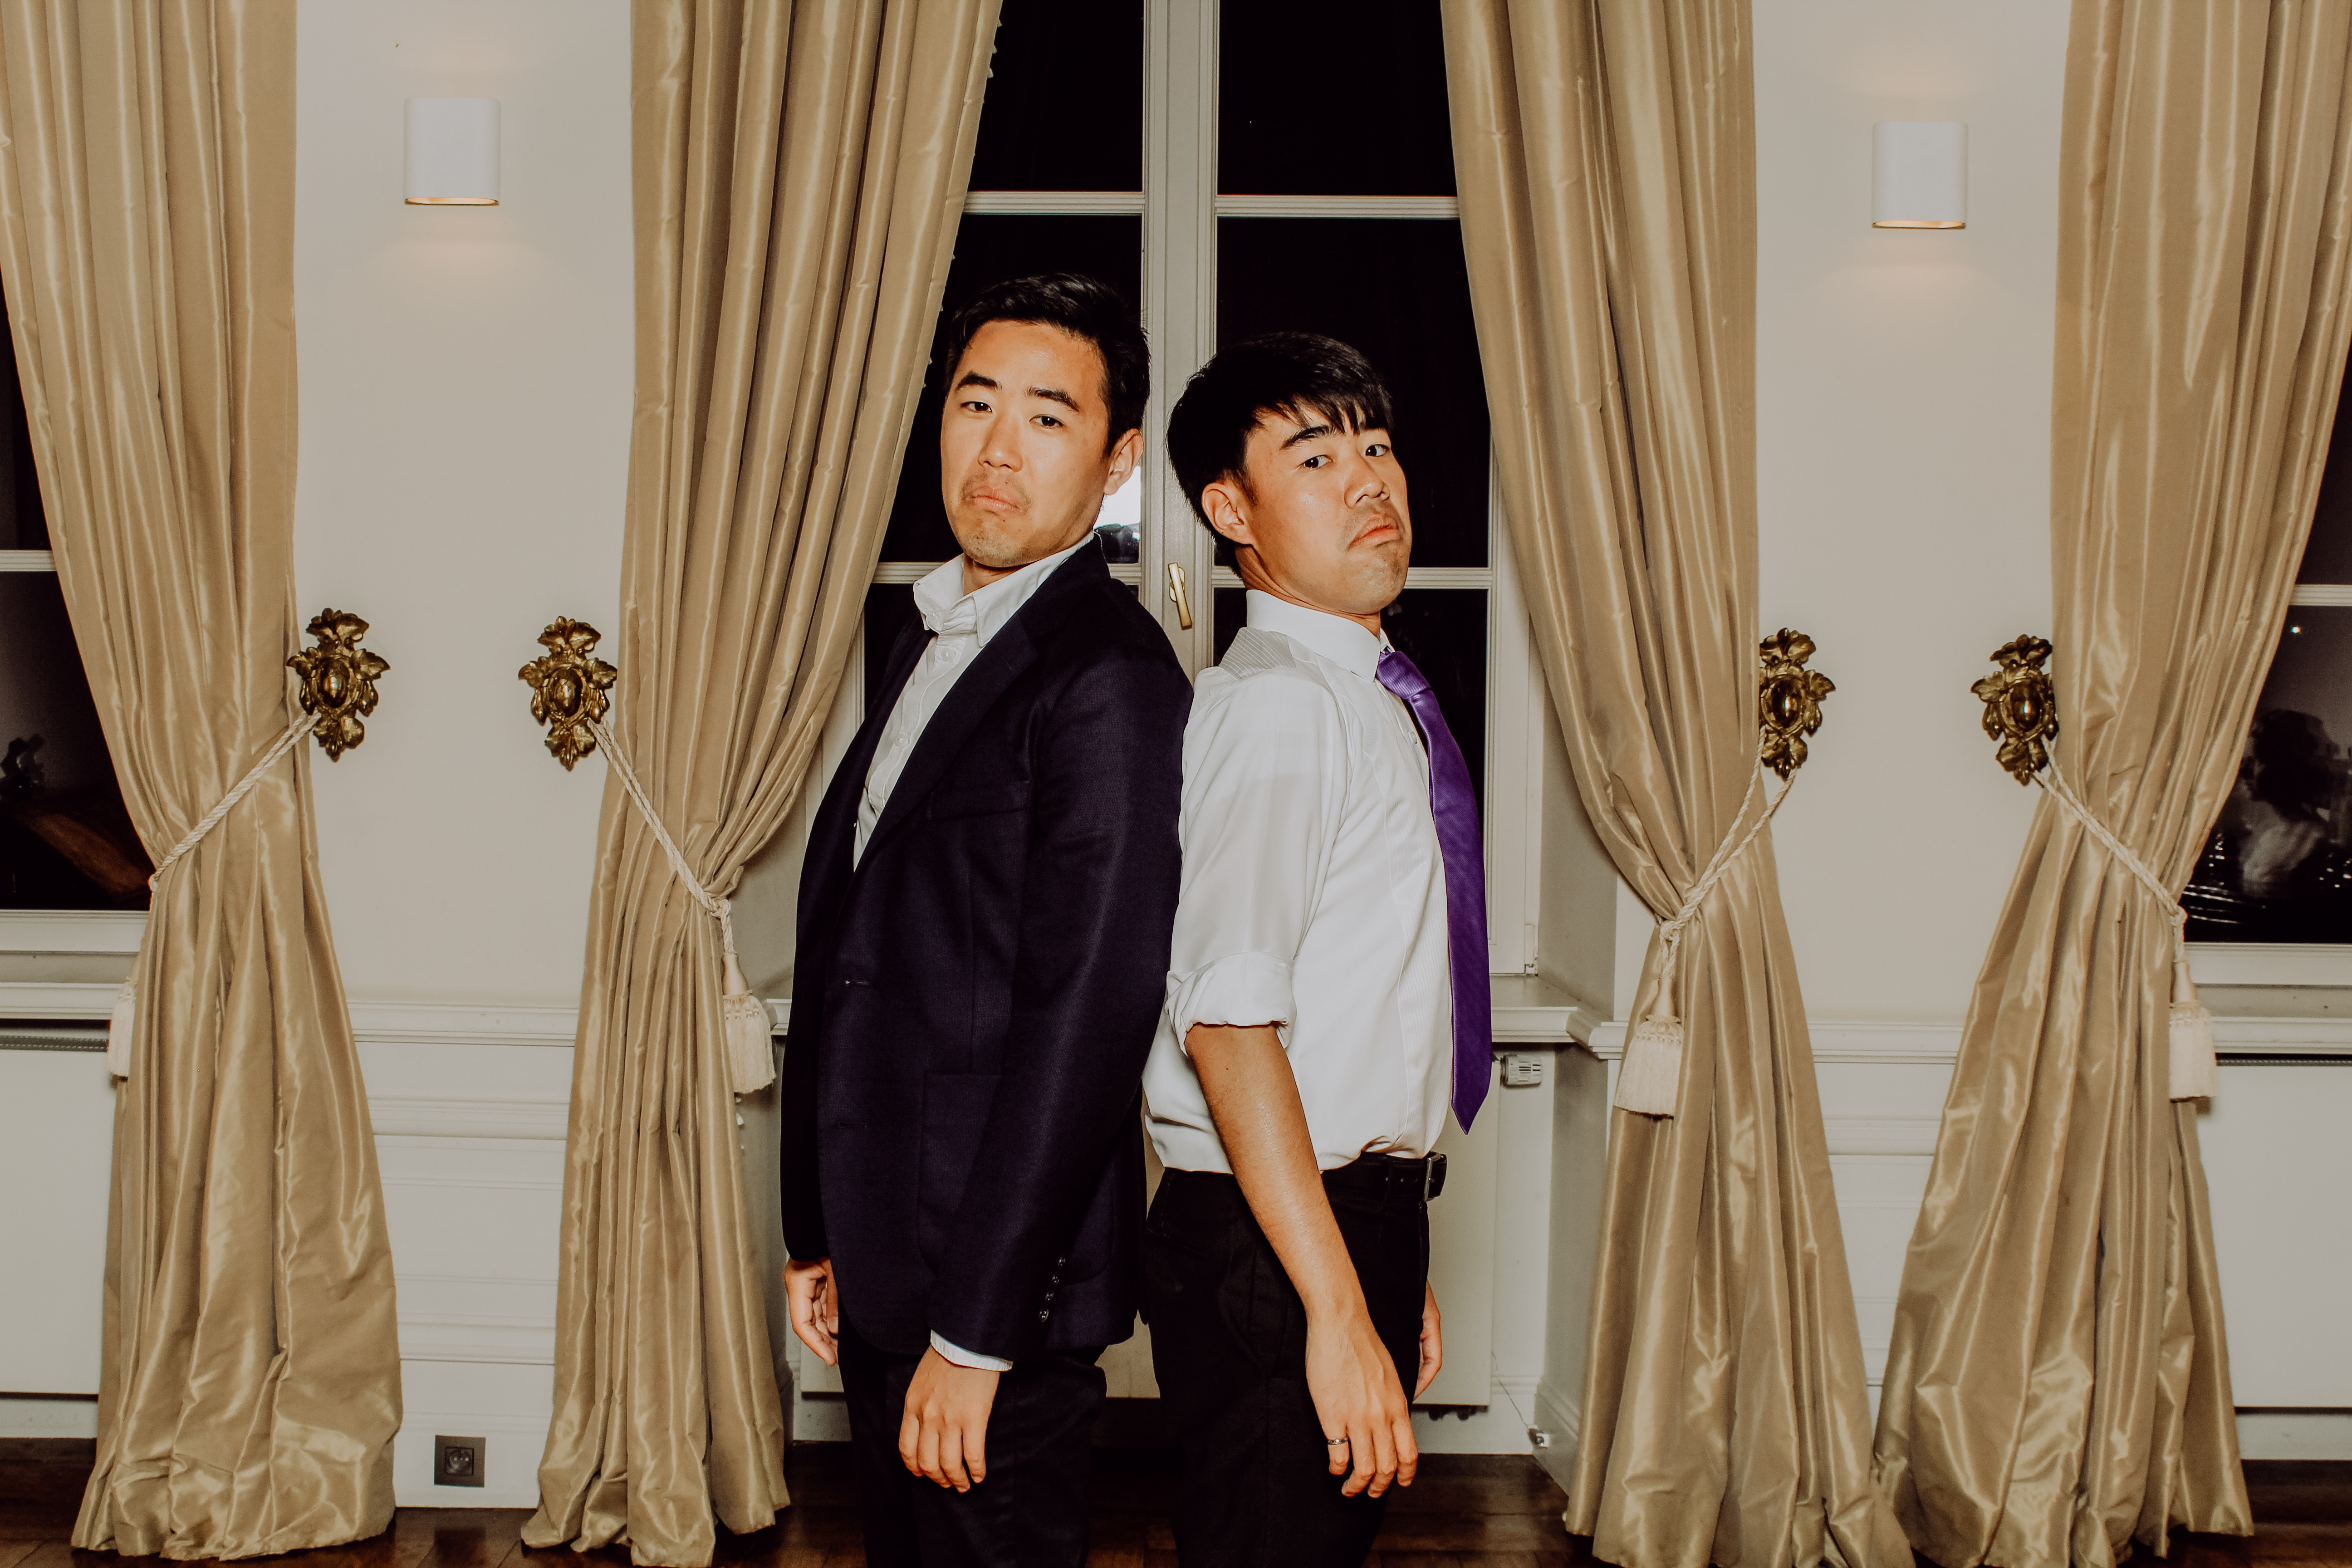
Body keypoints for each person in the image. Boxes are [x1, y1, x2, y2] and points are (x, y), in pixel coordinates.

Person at [779, 273, 1190, 1567]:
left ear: (1119, 461)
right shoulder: (929, 637)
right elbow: (856, 951)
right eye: (974, 404)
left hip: (991, 1294)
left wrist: (977, 1331)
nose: (998, 448)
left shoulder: (1111, 677)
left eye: (1048, 417)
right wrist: (814, 1228)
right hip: (885, 1251)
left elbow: (1089, 1023)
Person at [1142, 331, 1493, 1565]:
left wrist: (1386, 1256)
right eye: (1317, 457)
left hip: (1328, 1223)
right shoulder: (1286, 705)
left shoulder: (1364, 693)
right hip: (1275, 1246)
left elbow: (1358, 1010)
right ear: (1229, 511)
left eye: (1378, 447)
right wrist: (1337, 1306)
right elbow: (1227, 1021)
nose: (1369, 482)